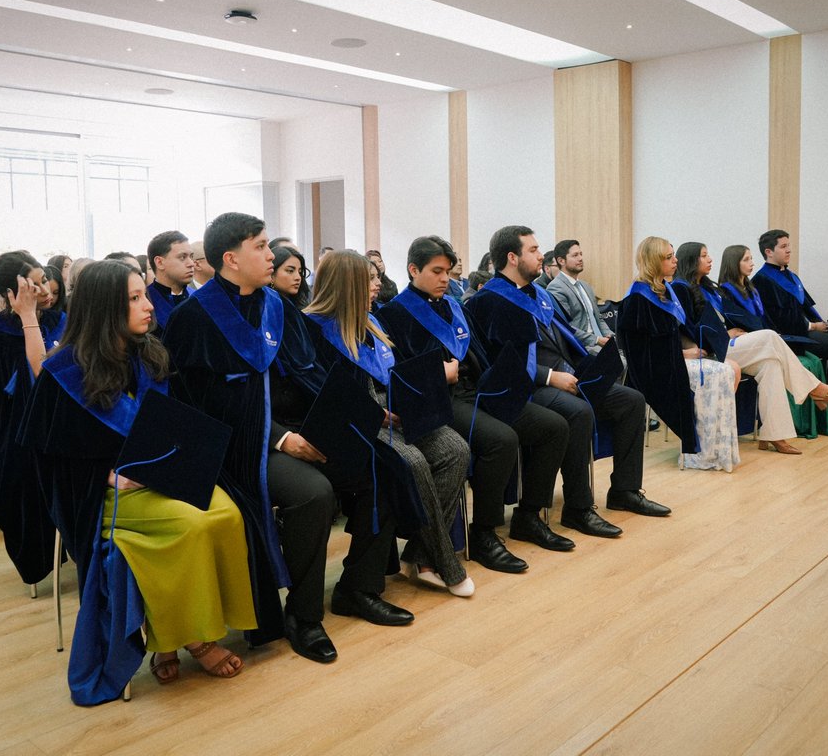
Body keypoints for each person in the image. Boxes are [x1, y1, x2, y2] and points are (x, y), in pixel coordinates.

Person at [164, 214, 409, 666]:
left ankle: (358, 587)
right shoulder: (191, 320)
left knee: (385, 464)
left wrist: (357, 417)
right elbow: (195, 406)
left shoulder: (278, 307)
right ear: (231, 259)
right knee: (313, 494)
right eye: (261, 246)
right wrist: (280, 439)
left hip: (300, 428)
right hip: (240, 445)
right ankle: (303, 615)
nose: (271, 254)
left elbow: (310, 374)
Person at [21, 260, 260, 701]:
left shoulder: (148, 354)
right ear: (103, 308)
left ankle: (192, 629)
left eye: (144, 295)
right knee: (192, 524)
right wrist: (105, 477)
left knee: (226, 512)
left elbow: (176, 421)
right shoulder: (63, 375)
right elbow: (49, 460)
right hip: (105, 497)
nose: (148, 306)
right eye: (134, 299)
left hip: (160, 476)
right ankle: (185, 639)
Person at [376, 236, 569, 573]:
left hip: (477, 391)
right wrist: (441, 375)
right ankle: (483, 533)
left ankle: (528, 516)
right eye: (436, 271)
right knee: (501, 439)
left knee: (554, 426)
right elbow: (399, 375)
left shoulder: (454, 306)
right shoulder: (396, 314)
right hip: (441, 400)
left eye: (448, 272)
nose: (444, 279)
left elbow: (480, 356)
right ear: (412, 269)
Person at [467, 226, 667, 538]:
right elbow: (493, 365)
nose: (541, 255)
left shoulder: (539, 295)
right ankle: (578, 508)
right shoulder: (488, 301)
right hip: (527, 388)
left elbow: (567, 340)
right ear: (511, 257)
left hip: (566, 375)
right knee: (578, 412)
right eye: (533, 250)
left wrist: (592, 368)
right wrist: (549, 376)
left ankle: (624, 491)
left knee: (631, 401)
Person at [309, 251, 473, 595]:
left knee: (455, 449)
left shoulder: (374, 322)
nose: (377, 285)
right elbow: (324, 393)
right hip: (358, 421)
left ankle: (420, 552)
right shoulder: (314, 328)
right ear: (348, 285)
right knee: (410, 460)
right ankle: (443, 562)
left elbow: (396, 373)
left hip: (396, 408)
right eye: (369, 279)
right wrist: (375, 412)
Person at [675, 242, 828, 455]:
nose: (710, 259)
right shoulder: (681, 287)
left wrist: (737, 331)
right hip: (713, 348)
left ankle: (774, 435)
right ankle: (816, 390)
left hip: (729, 343)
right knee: (770, 337)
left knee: (770, 365)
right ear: (690, 260)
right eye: (704, 256)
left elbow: (733, 317)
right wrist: (725, 334)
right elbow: (688, 326)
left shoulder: (709, 287)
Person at [0, 251, 65, 584]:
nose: (45, 289)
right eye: (34, 284)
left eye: (44, 279)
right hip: (13, 433)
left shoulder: (59, 321)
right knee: (21, 476)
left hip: (58, 423)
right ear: (11, 293)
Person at [620, 237, 740, 471]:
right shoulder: (638, 297)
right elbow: (641, 349)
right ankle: (699, 452)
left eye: (674, 255)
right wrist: (683, 355)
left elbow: (675, 333)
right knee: (717, 374)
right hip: (654, 369)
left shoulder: (665, 291)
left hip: (673, 359)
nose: (675, 261)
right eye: (668, 257)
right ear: (654, 261)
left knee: (724, 371)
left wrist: (687, 351)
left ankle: (718, 450)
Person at [753, 229, 828, 426]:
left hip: (809, 329)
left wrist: (824, 324)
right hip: (792, 335)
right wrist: (812, 326)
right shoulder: (761, 281)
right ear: (769, 252)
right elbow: (775, 319)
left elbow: (807, 306)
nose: (789, 250)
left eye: (789, 246)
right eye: (783, 247)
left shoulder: (792, 276)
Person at [545, 239, 620, 360]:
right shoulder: (556, 288)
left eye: (581, 254)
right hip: (582, 347)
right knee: (622, 364)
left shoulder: (585, 286)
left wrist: (610, 335)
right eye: (575, 255)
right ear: (561, 261)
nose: (580, 258)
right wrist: (596, 340)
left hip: (600, 343)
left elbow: (598, 318)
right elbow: (565, 327)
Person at [145, 230, 194, 330]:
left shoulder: (198, 297)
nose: (191, 263)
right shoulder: (146, 302)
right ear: (159, 262)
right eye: (182, 257)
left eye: (191, 256)